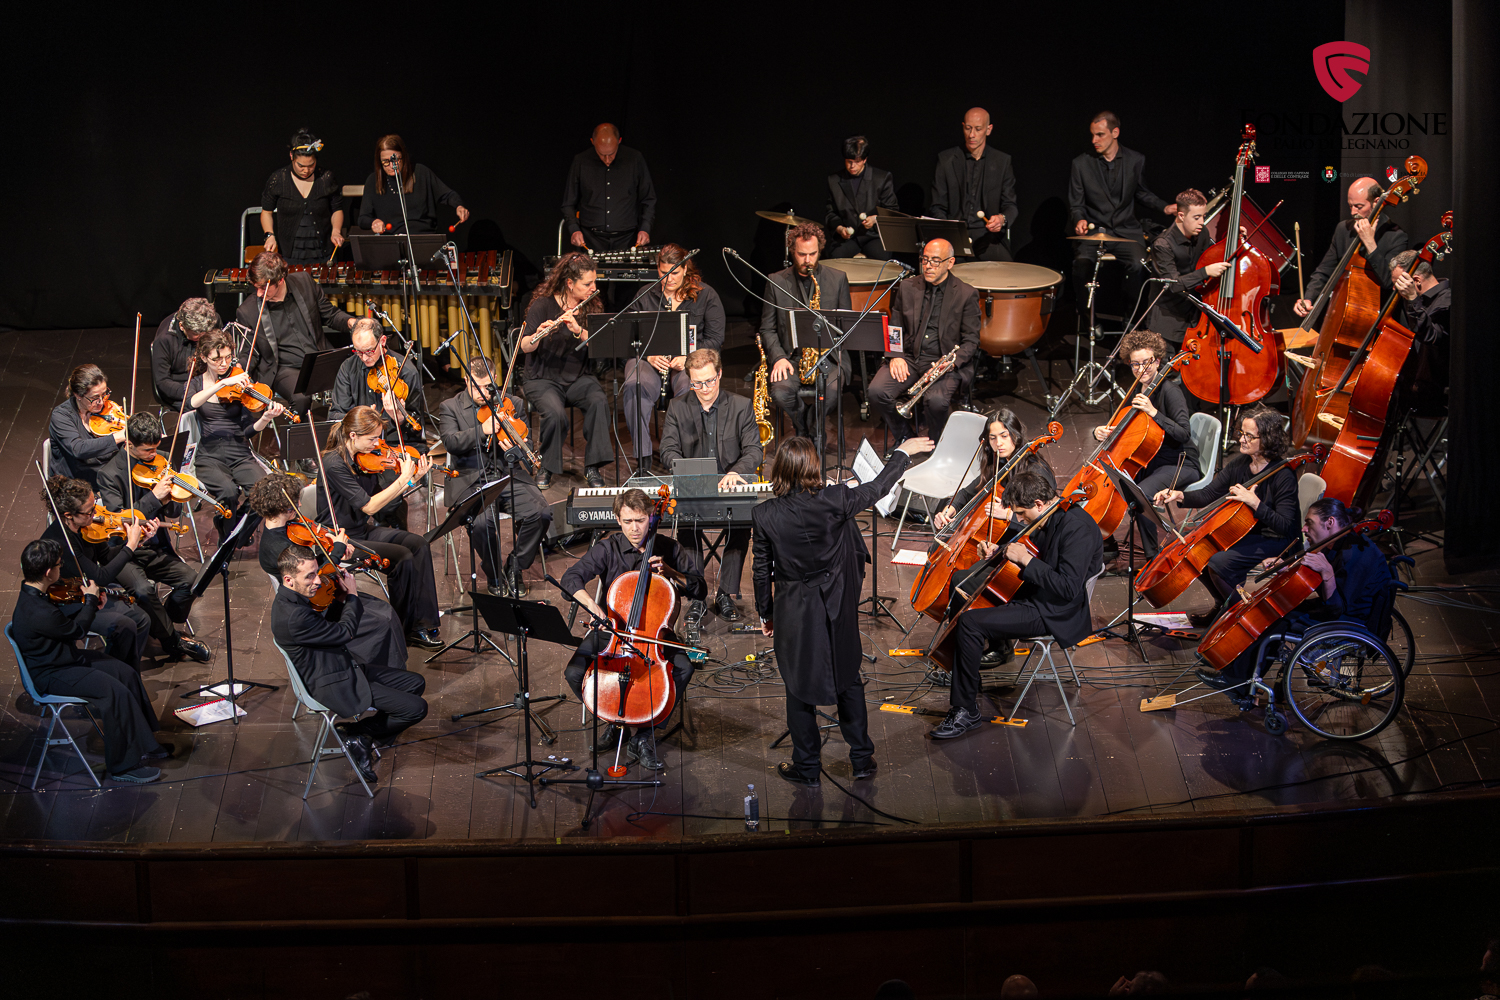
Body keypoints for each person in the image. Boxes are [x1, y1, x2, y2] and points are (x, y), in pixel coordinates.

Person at [754, 434, 936, 784]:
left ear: (780, 470)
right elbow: (878, 488)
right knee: (849, 678)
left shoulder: (764, 515)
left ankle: (807, 767)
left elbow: (762, 570)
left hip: (794, 610)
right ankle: (862, 760)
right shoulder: (835, 499)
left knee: (797, 687)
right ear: (812, 467)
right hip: (836, 601)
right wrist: (901, 453)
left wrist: (767, 614)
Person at [931, 471, 1103, 739]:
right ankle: (966, 678)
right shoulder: (1049, 516)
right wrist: (998, 552)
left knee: (970, 623)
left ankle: (966, 710)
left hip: (1053, 610)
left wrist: (1026, 561)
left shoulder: (1077, 528)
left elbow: (1068, 588)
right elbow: (1032, 551)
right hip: (1037, 593)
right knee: (963, 583)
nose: (1019, 519)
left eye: (1021, 513)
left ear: (1039, 504)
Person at [560, 487, 707, 772]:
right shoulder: (608, 548)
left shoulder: (669, 548)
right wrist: (594, 607)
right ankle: (616, 722)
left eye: (640, 520)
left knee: (684, 669)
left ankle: (644, 735)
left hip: (654, 634)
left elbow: (700, 589)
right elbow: (571, 578)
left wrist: (672, 573)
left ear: (651, 517)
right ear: (618, 519)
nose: (634, 528)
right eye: (627, 521)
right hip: (614, 630)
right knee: (574, 673)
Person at [12, 538, 171, 783]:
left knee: (126, 673)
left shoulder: (37, 593)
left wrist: (89, 603)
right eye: (59, 565)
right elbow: (77, 631)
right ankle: (123, 766)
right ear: (48, 572)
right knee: (115, 693)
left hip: (64, 659)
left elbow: (64, 625)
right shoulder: (38, 611)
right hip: (53, 673)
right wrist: (89, 601)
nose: (61, 568)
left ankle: (145, 742)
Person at [1196, 497, 1390, 693]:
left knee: (1276, 620)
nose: (1304, 529)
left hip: (1351, 620)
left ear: (1330, 522)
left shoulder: (1355, 555)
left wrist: (1327, 573)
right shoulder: (1337, 542)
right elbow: (1320, 584)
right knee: (1278, 610)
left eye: (1309, 522)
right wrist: (1287, 567)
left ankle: (1237, 681)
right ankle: (1234, 668)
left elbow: (1337, 608)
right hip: (1337, 608)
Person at [273, 545, 429, 784]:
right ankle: (359, 733)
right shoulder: (294, 616)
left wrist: (339, 600)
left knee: (415, 682)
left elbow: (323, 628)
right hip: (333, 683)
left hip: (341, 668)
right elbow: (345, 633)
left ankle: (364, 737)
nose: (317, 581)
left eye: (316, 573)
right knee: (417, 708)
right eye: (310, 576)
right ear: (288, 580)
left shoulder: (292, 600)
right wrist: (352, 597)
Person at [249, 473, 409, 676]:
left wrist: (333, 548)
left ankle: (395, 672)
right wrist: (337, 552)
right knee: (382, 621)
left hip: (321, 587)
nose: (299, 504)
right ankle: (381, 675)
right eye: (295, 502)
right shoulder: (278, 547)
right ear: (282, 507)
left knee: (385, 610)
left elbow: (311, 564)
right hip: (316, 601)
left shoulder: (285, 527)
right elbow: (313, 575)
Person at [1153, 406, 1300, 626]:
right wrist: (1178, 495)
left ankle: (1244, 617)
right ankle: (1222, 605)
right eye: (1241, 433)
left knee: (1218, 562)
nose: (1241, 440)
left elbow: (1285, 526)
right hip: (1247, 532)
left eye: (1249, 436)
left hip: (1276, 538)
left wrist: (1255, 503)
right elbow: (1209, 493)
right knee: (1197, 553)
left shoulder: (1283, 476)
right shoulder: (1241, 463)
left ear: (1268, 439)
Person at [315, 406, 443, 648]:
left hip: (361, 530)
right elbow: (369, 507)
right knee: (402, 557)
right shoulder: (334, 463)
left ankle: (423, 623)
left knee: (418, 544)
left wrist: (411, 480)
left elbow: (383, 501)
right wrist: (402, 479)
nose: (377, 444)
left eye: (378, 438)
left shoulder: (364, 460)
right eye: (372, 438)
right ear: (353, 435)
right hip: (339, 538)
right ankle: (403, 629)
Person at [93, 413, 214, 662]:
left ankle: (163, 624)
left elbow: (174, 512)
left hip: (154, 545)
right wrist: (154, 497)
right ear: (129, 444)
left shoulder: (161, 461)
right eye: (147, 450)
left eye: (156, 448)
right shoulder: (109, 474)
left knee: (192, 581)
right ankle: (173, 641)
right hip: (122, 551)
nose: (153, 454)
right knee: (143, 590)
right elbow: (119, 521)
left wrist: (173, 498)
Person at [659, 348, 761, 623]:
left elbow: (754, 450)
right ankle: (697, 596)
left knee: (742, 526)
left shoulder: (740, 406)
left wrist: (736, 472)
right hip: (693, 486)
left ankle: (726, 594)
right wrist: (684, 470)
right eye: (697, 383)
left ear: (720, 374)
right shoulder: (678, 407)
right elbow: (668, 449)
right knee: (686, 524)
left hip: (730, 484)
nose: (704, 389)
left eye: (709, 381)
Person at [438, 355, 551, 597]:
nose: (482, 393)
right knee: (481, 524)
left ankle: (515, 566)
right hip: (471, 479)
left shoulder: (512, 403)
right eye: (476, 386)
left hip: (508, 474)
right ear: (467, 380)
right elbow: (451, 442)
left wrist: (517, 447)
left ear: (496, 379)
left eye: (487, 386)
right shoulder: (450, 407)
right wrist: (482, 430)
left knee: (541, 513)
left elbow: (528, 443)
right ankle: (493, 573)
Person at [1090, 330, 1196, 558]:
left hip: (1180, 463)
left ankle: (1152, 557)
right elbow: (1123, 426)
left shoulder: (1170, 391)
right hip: (1151, 460)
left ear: (1157, 361)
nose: (1141, 369)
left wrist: (1153, 412)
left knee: (1140, 495)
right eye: (1135, 364)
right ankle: (1105, 541)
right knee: (1116, 484)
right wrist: (1100, 432)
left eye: (1147, 363)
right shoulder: (1136, 390)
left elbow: (1184, 433)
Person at [620, 244, 728, 467]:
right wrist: (648, 355)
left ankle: (683, 458)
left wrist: (690, 357)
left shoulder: (706, 295)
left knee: (691, 385)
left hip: (688, 362)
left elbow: (716, 339)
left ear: (686, 268)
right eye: (663, 273)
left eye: (675, 273)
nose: (668, 279)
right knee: (634, 384)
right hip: (652, 360)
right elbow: (628, 336)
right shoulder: (645, 295)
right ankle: (643, 460)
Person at [867, 238, 981, 443]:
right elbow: (895, 326)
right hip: (910, 357)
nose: (928, 265)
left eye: (935, 261)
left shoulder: (966, 294)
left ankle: (936, 445)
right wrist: (895, 355)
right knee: (876, 392)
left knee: (936, 401)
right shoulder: (907, 287)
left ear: (950, 262)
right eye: (925, 259)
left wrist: (951, 363)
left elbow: (971, 340)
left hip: (942, 362)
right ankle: (906, 438)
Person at [37, 477, 152, 671]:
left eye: (95, 507)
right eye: (89, 511)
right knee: (124, 625)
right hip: (68, 604)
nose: (96, 515)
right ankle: (115, 673)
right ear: (68, 515)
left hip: (90, 593)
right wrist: (130, 547)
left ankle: (126, 672)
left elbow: (106, 557)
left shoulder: (87, 528)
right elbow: (101, 576)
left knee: (142, 620)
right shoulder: (62, 542)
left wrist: (137, 542)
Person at [519, 252, 612, 489]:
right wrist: (539, 334)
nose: (593, 288)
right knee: (554, 413)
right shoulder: (542, 305)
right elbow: (525, 346)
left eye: (594, 282)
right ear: (570, 283)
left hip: (577, 376)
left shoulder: (592, 307)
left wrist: (578, 330)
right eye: (587, 284)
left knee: (598, 401)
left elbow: (601, 345)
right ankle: (547, 466)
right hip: (542, 377)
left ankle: (592, 467)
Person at [1067, 111, 1175, 308]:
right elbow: (1077, 204)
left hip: (1126, 231)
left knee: (1139, 265)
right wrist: (1079, 219)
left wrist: (1165, 207)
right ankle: (1087, 316)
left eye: (1100, 135)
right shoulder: (1081, 164)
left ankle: (1131, 318)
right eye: (1092, 135)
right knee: (1081, 265)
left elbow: (1142, 193)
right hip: (1095, 232)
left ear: (1115, 132)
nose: (1094, 140)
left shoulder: (1135, 160)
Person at [185, 330, 283, 544]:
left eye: (228, 357)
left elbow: (248, 431)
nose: (224, 364)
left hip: (239, 452)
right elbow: (190, 403)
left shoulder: (240, 383)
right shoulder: (197, 384)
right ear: (204, 357)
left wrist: (265, 417)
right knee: (228, 492)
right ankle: (228, 539)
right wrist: (220, 384)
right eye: (217, 359)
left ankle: (236, 530)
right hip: (209, 455)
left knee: (264, 491)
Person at [758, 223, 852, 441]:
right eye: (802, 254)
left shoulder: (837, 279)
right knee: (780, 393)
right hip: (792, 356)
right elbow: (767, 328)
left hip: (828, 355)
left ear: (820, 251)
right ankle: (802, 423)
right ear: (792, 251)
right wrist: (779, 358)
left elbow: (846, 327)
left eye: (813, 254)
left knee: (831, 393)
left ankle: (815, 426)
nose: (808, 260)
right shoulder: (776, 281)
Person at [233, 251, 356, 417]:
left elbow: (330, 315)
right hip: (285, 369)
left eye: (263, 288)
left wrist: (353, 323)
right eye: (256, 288)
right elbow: (248, 352)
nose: (259, 293)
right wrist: (240, 367)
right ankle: (302, 431)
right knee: (301, 399)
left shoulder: (304, 282)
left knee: (355, 378)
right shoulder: (248, 311)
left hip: (319, 358)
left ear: (280, 280)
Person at [1294, 177, 1409, 317]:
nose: (1353, 212)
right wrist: (1308, 297)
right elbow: (1324, 271)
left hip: (1375, 316)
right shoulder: (1343, 229)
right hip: (1340, 311)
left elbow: (1388, 281)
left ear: (1376, 202)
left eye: (1359, 207)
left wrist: (1370, 244)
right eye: (1350, 206)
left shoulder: (1396, 236)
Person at [933, 409, 1058, 533]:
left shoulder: (1035, 471)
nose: (998, 443)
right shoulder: (1000, 463)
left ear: (1016, 435)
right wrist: (949, 510)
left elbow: (1045, 520)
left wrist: (1008, 514)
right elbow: (967, 493)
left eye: (1004, 436)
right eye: (992, 438)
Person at [931, 108, 1019, 262]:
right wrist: (948, 232)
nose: (971, 135)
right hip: (954, 235)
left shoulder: (1002, 161)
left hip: (988, 236)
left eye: (978, 129)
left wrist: (1001, 219)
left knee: (1006, 271)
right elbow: (937, 206)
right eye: (968, 128)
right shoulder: (946, 160)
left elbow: (1010, 205)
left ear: (988, 130)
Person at [1146, 189, 1232, 347]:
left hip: (1194, 315)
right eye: (1196, 217)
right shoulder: (1163, 244)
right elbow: (1174, 284)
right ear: (1181, 215)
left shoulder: (1202, 232)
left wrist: (1233, 240)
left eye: (1204, 216)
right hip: (1168, 319)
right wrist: (1205, 272)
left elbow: (1212, 257)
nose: (1202, 222)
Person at [330, 317, 428, 447]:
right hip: (358, 444)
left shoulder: (406, 371)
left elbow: (415, 429)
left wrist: (398, 417)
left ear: (382, 341)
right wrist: (362, 421)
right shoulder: (348, 368)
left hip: (395, 444)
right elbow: (335, 415)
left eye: (369, 351)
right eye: (358, 352)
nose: (364, 358)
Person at [561, 123, 656, 253]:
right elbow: (568, 203)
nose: (607, 160)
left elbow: (649, 199)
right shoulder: (580, 161)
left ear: (619, 141)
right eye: (601, 154)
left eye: (611, 154)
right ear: (592, 142)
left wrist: (645, 228)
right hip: (590, 239)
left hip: (628, 239)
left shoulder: (635, 159)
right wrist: (574, 229)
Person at [259, 128, 345, 264]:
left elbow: (337, 209)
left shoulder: (325, 178)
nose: (306, 170)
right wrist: (269, 235)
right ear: (291, 156)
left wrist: (336, 231)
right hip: (290, 255)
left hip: (323, 253)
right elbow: (266, 212)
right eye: (301, 166)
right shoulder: (279, 179)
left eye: (311, 165)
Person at [357, 135, 468, 235]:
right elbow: (362, 218)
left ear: (404, 157)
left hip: (423, 238)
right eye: (385, 161)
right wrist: (373, 222)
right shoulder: (373, 181)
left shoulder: (421, 173)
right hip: (392, 240)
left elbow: (448, 195)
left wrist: (459, 206)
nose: (392, 166)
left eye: (396, 160)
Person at [1386, 248, 1450, 416]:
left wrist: (1412, 299)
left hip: (1432, 393)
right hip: (1412, 387)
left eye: (1397, 283)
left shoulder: (1447, 302)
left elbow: (1431, 336)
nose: (1394, 289)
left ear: (1416, 281)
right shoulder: (1418, 301)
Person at [49, 363, 126, 490]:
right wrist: (119, 436)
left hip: (106, 475)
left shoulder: (107, 409)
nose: (101, 402)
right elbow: (78, 449)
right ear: (78, 395)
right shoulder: (61, 416)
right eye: (95, 398)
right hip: (76, 484)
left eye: (104, 394)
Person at [824, 136, 898, 260]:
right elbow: (831, 213)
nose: (852, 166)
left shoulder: (881, 178)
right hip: (848, 238)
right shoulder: (834, 180)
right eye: (849, 161)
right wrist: (840, 229)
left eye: (857, 161)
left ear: (865, 159)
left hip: (874, 236)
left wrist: (875, 219)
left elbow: (892, 211)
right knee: (835, 257)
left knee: (881, 259)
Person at [151, 297, 222, 408]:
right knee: (209, 410)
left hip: (210, 380)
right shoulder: (164, 339)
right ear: (182, 326)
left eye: (205, 333)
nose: (202, 338)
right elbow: (163, 382)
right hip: (181, 387)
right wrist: (193, 391)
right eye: (197, 334)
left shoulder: (212, 320)